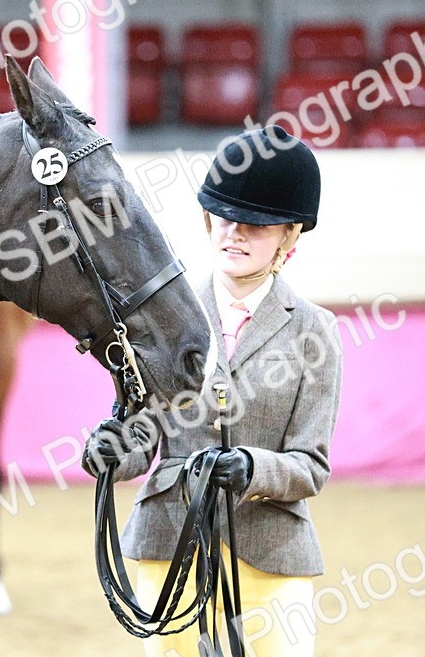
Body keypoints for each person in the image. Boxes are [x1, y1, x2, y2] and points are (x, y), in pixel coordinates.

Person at [83, 126, 342, 657]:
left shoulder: (314, 331)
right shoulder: (162, 322)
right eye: (225, 218)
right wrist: (112, 451)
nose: (235, 234)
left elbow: (311, 466)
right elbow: (143, 440)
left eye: (256, 225)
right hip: (169, 543)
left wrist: (251, 467)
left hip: (271, 551)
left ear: (289, 235)